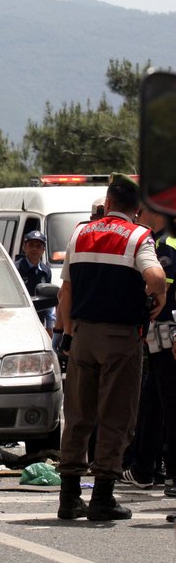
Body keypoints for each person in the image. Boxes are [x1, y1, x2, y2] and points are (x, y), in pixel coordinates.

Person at [56, 173, 166, 521]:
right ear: (138, 208)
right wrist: (158, 296)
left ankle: (69, 496)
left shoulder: (80, 233)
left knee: (77, 415)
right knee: (116, 416)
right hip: (120, 339)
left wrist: (69, 334)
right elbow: (156, 277)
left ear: (108, 201)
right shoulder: (138, 236)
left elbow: (66, 294)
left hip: (83, 336)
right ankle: (103, 496)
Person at [120, 204, 176, 495]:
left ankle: (164, 472)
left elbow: (157, 290)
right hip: (162, 337)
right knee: (154, 402)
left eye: (143, 212)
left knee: (168, 404)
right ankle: (144, 467)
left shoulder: (165, 244)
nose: (139, 217)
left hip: (167, 335)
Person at [14, 230, 54, 333]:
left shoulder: (46, 271)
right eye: (31, 245)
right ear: (24, 247)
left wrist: (49, 326)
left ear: (43, 250)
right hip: (19, 321)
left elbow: (49, 301)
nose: (34, 249)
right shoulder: (15, 269)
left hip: (39, 323)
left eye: (38, 246)